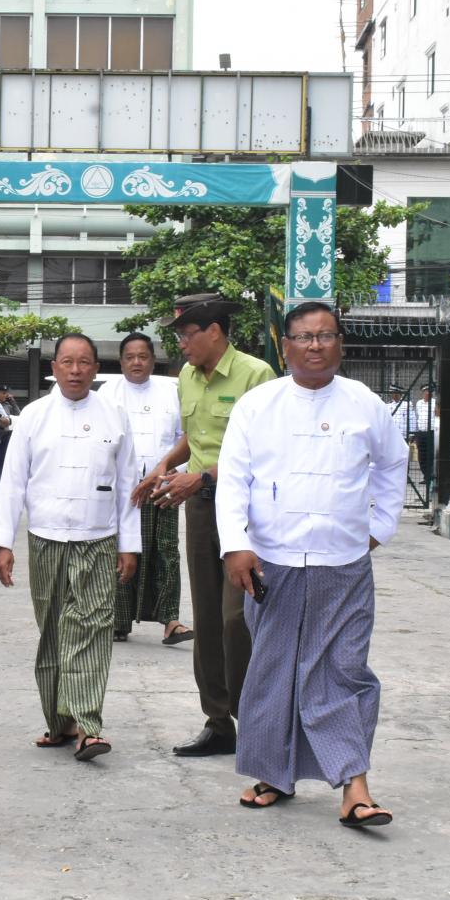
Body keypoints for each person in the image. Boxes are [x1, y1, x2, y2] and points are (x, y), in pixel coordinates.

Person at [218, 303, 408, 827]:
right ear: (285, 347)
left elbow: (393, 464)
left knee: (344, 670)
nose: (315, 345)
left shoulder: (364, 403)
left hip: (343, 562)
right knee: (273, 670)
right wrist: (236, 545)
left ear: (341, 343)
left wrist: (380, 526)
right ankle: (273, 774)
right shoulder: (259, 405)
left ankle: (355, 786)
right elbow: (233, 480)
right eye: (304, 337)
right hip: (271, 560)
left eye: (326, 335)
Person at [132, 293, 276, 757]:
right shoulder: (187, 378)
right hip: (200, 509)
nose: (180, 344)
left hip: (247, 512)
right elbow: (193, 437)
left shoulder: (256, 375)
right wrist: (166, 464)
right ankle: (218, 723)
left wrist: (203, 476)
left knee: (238, 618)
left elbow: (264, 452)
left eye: (186, 334)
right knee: (209, 617)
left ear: (214, 331)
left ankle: (252, 716)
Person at [0, 333, 140, 760]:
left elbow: (127, 484)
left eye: (84, 362)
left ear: (95, 368)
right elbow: (12, 482)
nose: (76, 371)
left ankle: (89, 725)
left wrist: (129, 545)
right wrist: (3, 543)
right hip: (46, 538)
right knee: (54, 630)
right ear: (54, 368)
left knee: (92, 626)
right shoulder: (33, 416)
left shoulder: (114, 415)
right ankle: (60, 723)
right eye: (67, 362)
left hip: (98, 538)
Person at [100, 332, 191, 646]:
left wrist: (174, 473)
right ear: (121, 361)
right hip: (122, 489)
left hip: (163, 487)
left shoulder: (171, 392)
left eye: (143, 356)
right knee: (123, 550)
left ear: (153, 360)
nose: (136, 362)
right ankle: (118, 621)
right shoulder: (108, 393)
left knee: (166, 552)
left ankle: (170, 621)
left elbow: (184, 437)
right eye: (130, 357)